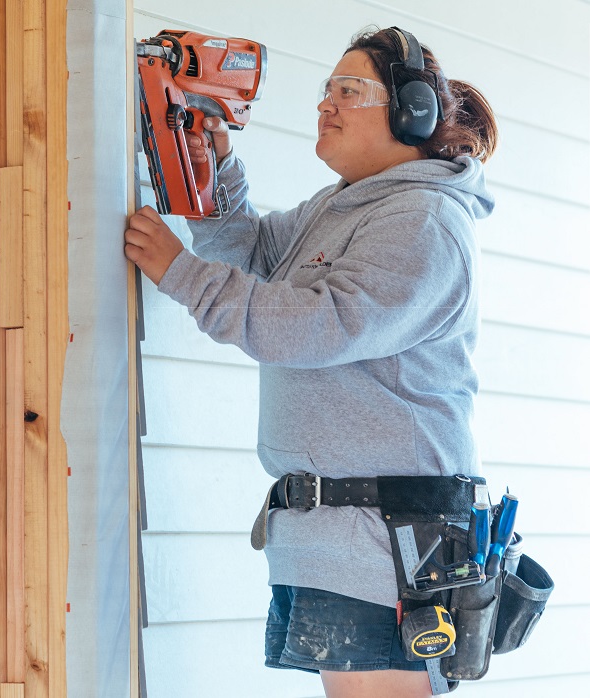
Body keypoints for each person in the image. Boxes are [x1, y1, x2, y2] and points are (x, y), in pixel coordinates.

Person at [125, 26, 498, 698]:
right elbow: (258, 258)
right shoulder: (343, 204)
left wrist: (179, 272)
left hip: (386, 547)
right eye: (327, 89)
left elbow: (312, 327)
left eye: (349, 91)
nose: (325, 104)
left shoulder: (422, 221)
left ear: (410, 111)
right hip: (336, 541)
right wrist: (215, 171)